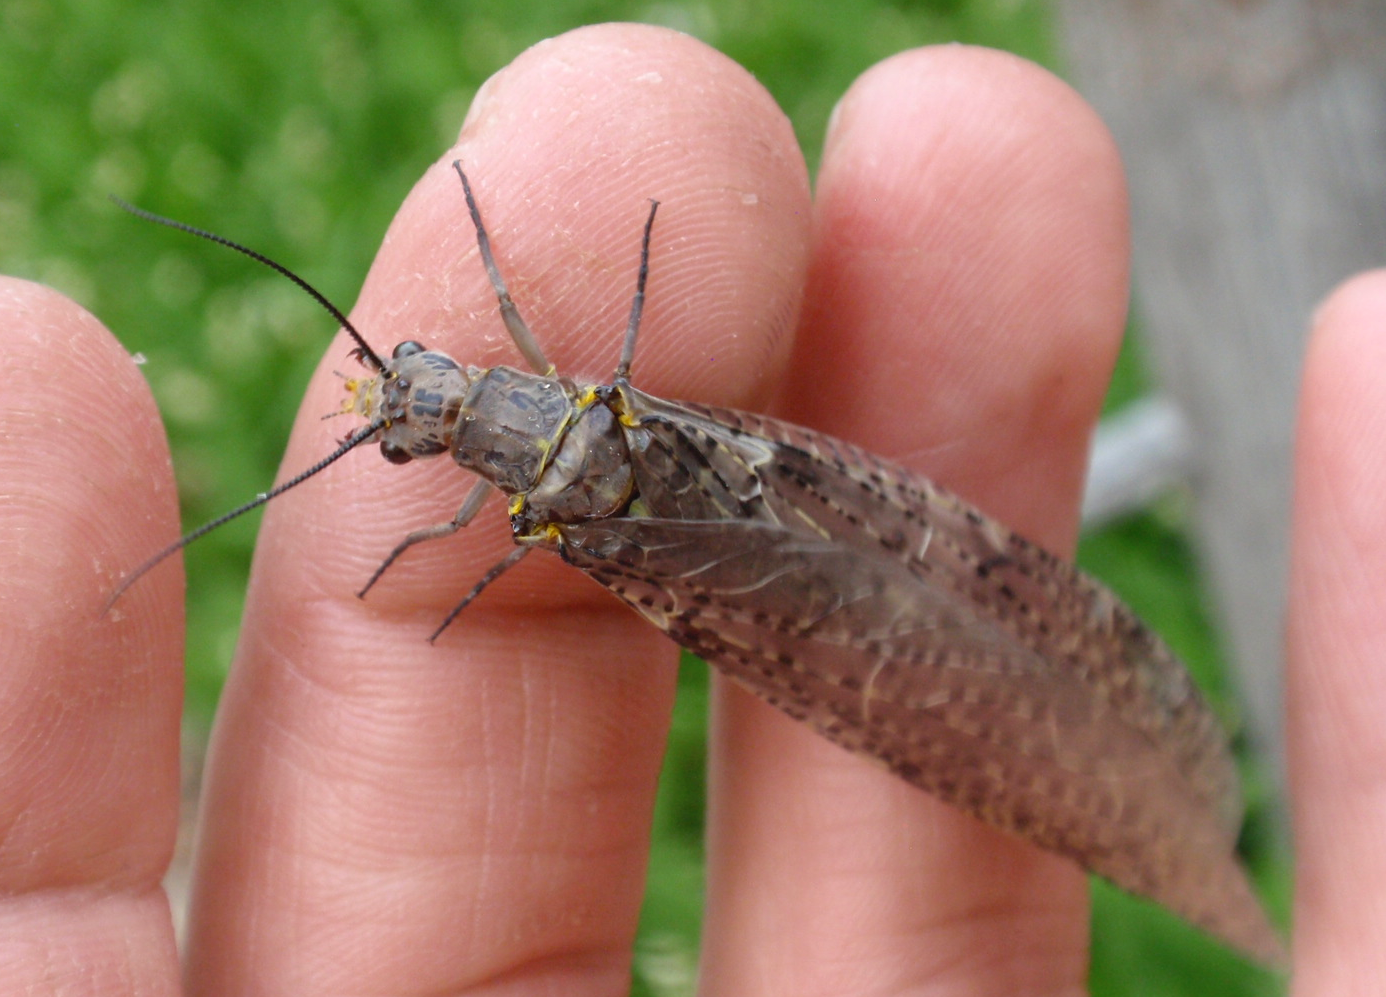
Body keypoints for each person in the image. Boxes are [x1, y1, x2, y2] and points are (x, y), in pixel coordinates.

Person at [2, 24, 1380, 995]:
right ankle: (1173, 824)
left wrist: (458, 546)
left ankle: (1173, 810)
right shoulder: (580, 414)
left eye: (415, 392)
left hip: (751, 572)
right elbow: (571, 336)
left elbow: (456, 533)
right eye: (418, 404)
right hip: (767, 531)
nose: (412, 397)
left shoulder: (540, 521)